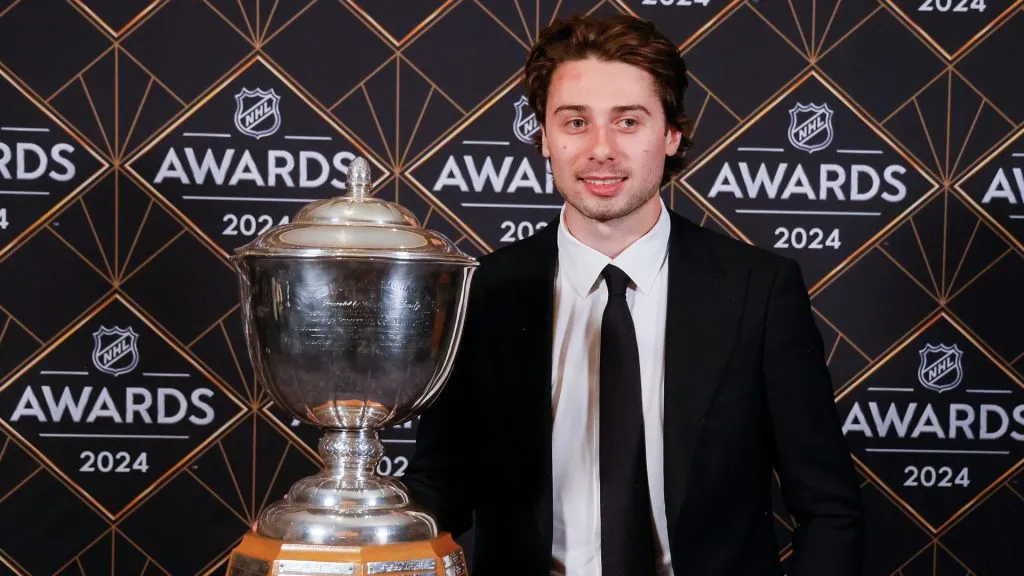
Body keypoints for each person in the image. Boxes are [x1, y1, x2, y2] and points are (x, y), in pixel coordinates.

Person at [402, 13, 864, 576]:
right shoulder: (482, 293)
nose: (601, 149)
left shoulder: (759, 291)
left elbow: (829, 508)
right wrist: (352, 522)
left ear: (671, 134)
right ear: (543, 137)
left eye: (628, 121)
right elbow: (440, 489)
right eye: (575, 122)